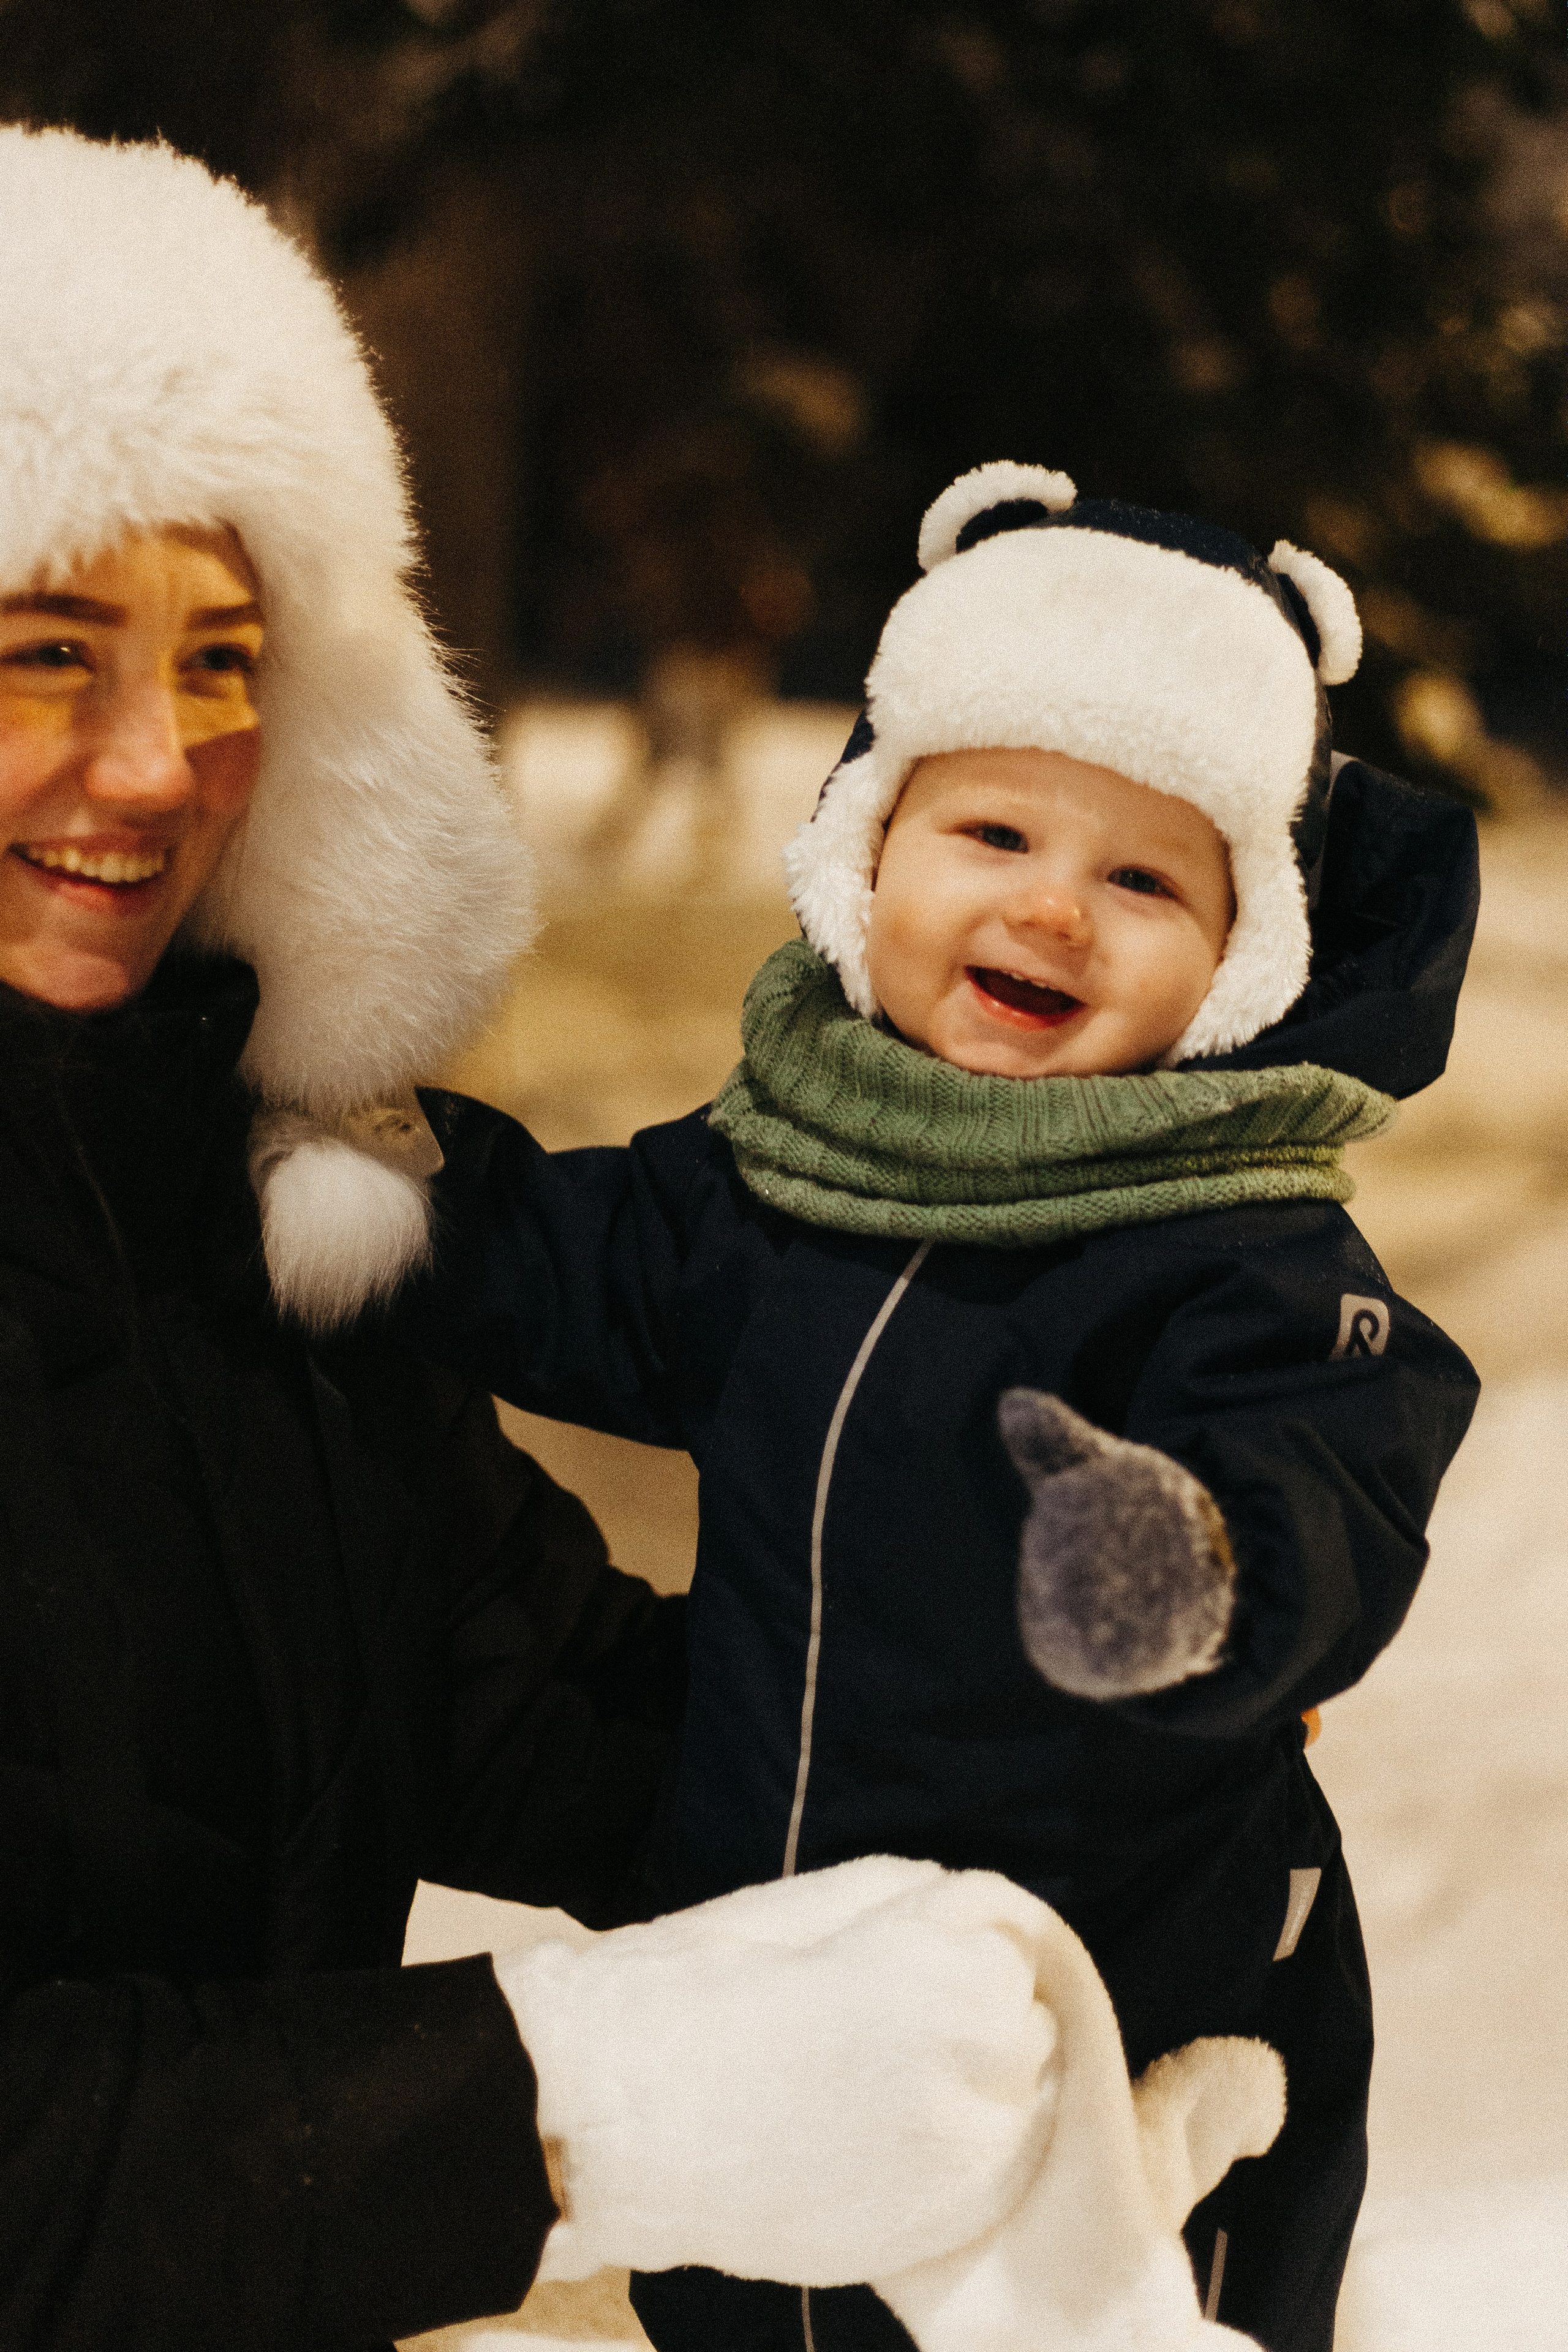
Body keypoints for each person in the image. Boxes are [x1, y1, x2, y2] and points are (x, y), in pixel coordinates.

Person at [0, 135, 1096, 2352]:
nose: (156, 762)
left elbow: (550, 1701)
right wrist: (588, 2109)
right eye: (46, 651)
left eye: (226, 658)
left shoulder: (252, 1207)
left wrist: (1079, 1770)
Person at [394, 464, 1483, 2352]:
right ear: (867, 855)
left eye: (1145, 878)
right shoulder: (772, 1184)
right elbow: (555, 1264)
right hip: (791, 1985)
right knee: (760, 2310)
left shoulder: (1236, 1247)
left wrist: (1194, 1562)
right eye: (992, 832)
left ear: (1242, 962)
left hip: (1128, 2015)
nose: (1055, 909)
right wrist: (350, 1168)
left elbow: (1339, 1474)